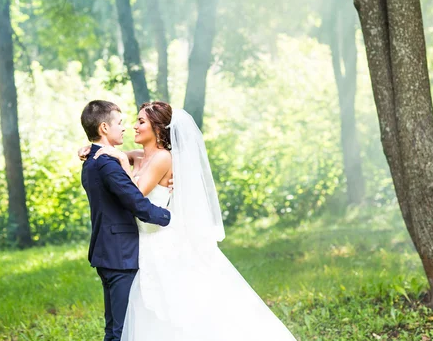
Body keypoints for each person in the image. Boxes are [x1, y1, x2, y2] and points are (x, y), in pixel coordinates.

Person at [80, 101, 296, 340]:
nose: (133, 126)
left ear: (158, 129)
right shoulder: (140, 156)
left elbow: (135, 194)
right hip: (140, 240)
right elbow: (114, 155)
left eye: (141, 122)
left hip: (158, 235)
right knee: (144, 311)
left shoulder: (162, 158)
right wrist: (91, 149)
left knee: (178, 307)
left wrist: (122, 162)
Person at [79, 100, 171, 341]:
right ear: (104, 128)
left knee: (119, 327)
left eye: (139, 121)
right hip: (122, 253)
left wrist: (96, 150)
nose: (128, 127)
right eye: (120, 123)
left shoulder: (98, 160)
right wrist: (169, 216)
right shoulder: (110, 162)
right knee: (123, 329)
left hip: (119, 249)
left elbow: (134, 188)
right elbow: (137, 202)